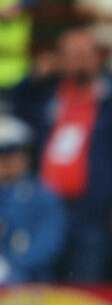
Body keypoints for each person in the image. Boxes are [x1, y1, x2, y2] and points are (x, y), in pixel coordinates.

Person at [10, 27, 112, 283]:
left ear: (98, 57)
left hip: (93, 210)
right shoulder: (46, 96)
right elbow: (12, 112)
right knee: (38, 282)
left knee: (84, 284)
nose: (79, 63)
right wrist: (32, 78)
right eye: (72, 56)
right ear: (59, 59)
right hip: (44, 209)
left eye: (85, 55)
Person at [0, 115, 65, 284]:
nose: (5, 162)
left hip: (29, 282)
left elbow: (48, 243)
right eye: (1, 155)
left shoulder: (43, 196)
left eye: (11, 155)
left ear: (25, 157)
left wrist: (12, 266)